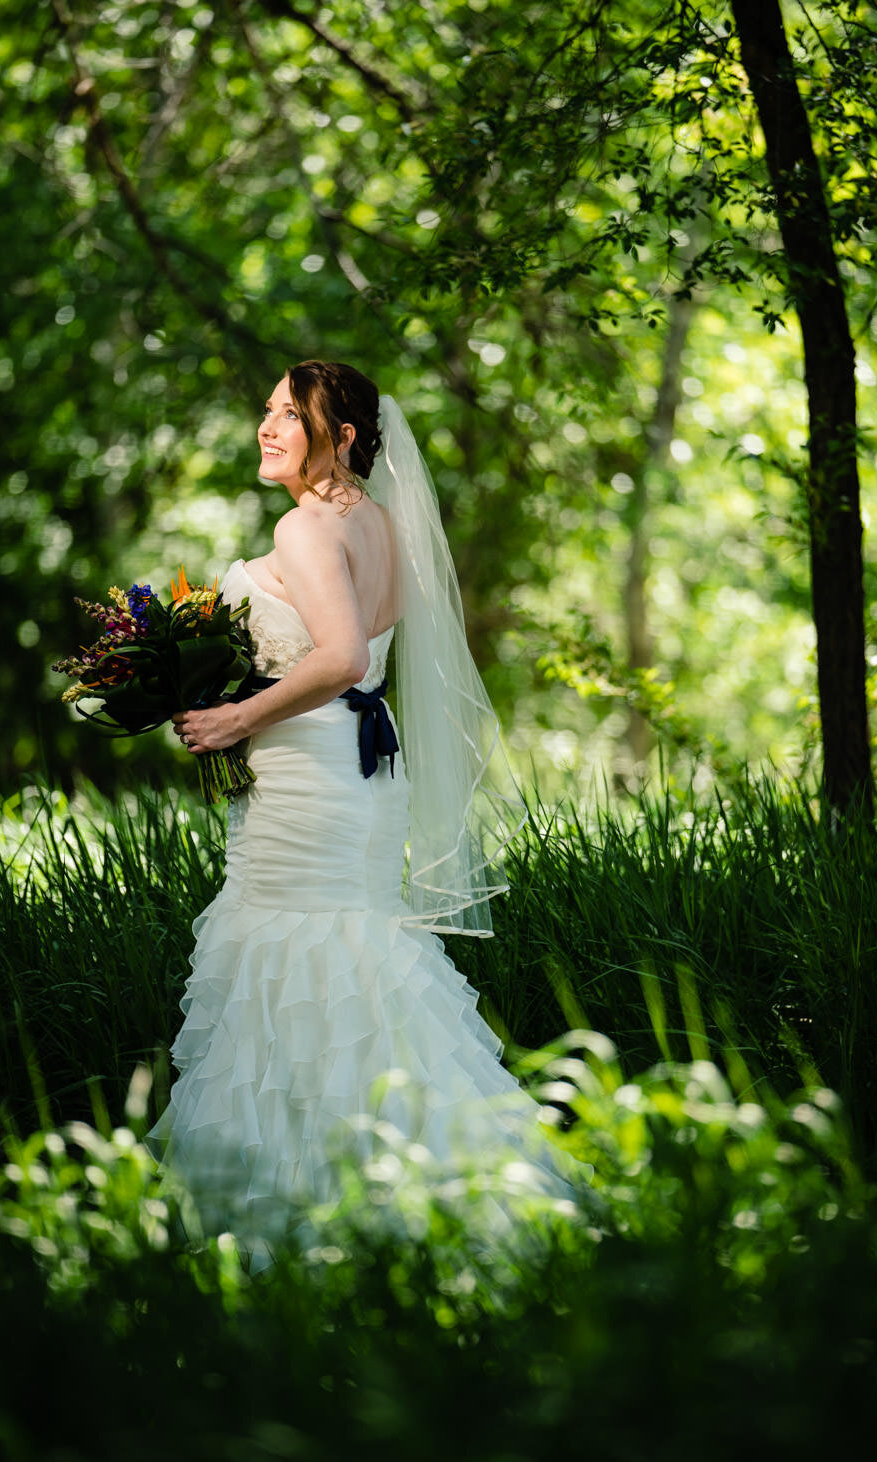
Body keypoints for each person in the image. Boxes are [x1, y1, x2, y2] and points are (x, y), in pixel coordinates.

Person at [147, 360, 575, 1254]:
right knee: (357, 959)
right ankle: (413, 1181)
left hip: (315, 783)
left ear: (341, 438)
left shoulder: (305, 527)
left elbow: (340, 658)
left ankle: (302, 1206)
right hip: (361, 776)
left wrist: (235, 715)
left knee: (298, 957)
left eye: (289, 416)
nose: (267, 429)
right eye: (265, 412)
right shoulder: (380, 524)